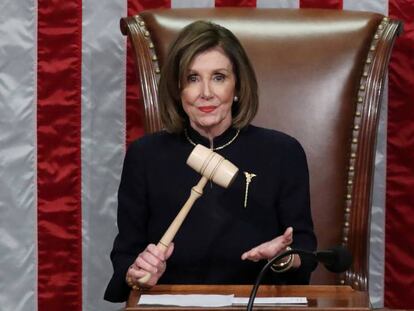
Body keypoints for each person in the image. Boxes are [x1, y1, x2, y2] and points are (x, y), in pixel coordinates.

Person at [104, 20, 317, 303]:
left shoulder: (283, 152)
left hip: (256, 304)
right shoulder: (145, 155)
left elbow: (304, 248)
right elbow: (126, 254)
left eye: (218, 77)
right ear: (178, 90)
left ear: (237, 86)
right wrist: (136, 273)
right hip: (171, 305)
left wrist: (282, 259)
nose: (206, 92)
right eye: (192, 78)